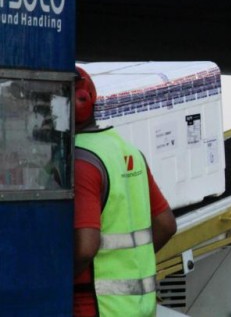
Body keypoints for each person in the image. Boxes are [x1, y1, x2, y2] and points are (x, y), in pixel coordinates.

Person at [73, 66, 177, 316]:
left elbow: (86, 248)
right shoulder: (129, 151)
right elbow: (166, 225)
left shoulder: (79, 160)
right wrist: (129, 267)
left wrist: (49, 282)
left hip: (96, 308)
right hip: (139, 308)